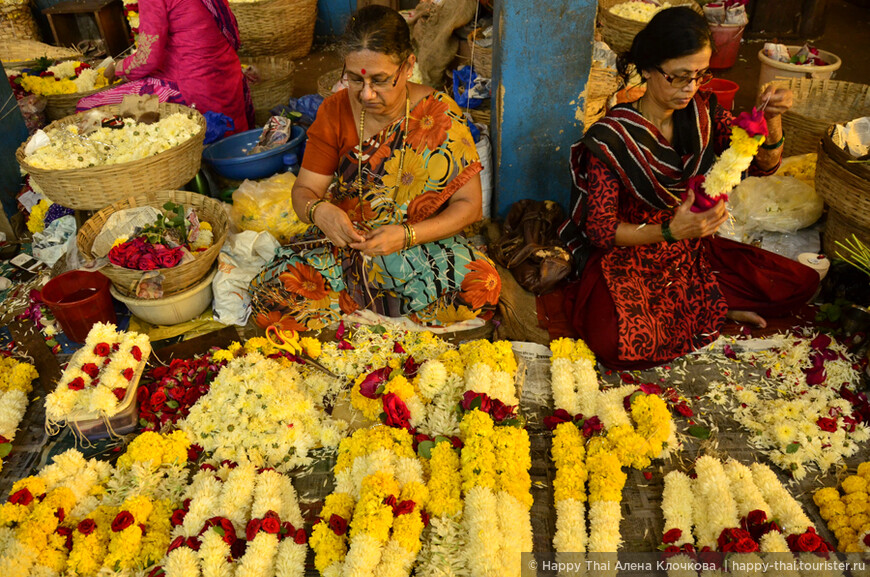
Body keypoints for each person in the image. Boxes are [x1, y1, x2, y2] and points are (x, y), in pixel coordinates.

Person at [559, 7, 818, 370]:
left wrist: (772, 119)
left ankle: (709, 301)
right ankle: (710, 304)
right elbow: (601, 232)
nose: (690, 87)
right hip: (635, 254)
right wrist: (669, 230)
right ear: (648, 68)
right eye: (679, 77)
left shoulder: (703, 113)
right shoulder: (613, 138)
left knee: (799, 283)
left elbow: (765, 165)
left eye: (699, 75)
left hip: (692, 252)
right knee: (614, 341)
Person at [250, 5, 500, 331]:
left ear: (409, 66)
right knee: (273, 295)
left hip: (421, 247)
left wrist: (407, 235)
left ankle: (363, 329)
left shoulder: (438, 113)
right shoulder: (335, 111)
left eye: (381, 81)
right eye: (354, 79)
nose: (366, 94)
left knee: (482, 286)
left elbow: (469, 208)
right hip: (347, 247)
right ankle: (387, 328)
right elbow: (304, 192)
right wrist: (319, 212)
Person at [76, 0, 252, 133]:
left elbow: (147, 60)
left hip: (192, 88)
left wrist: (118, 67)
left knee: (87, 106)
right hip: (227, 78)